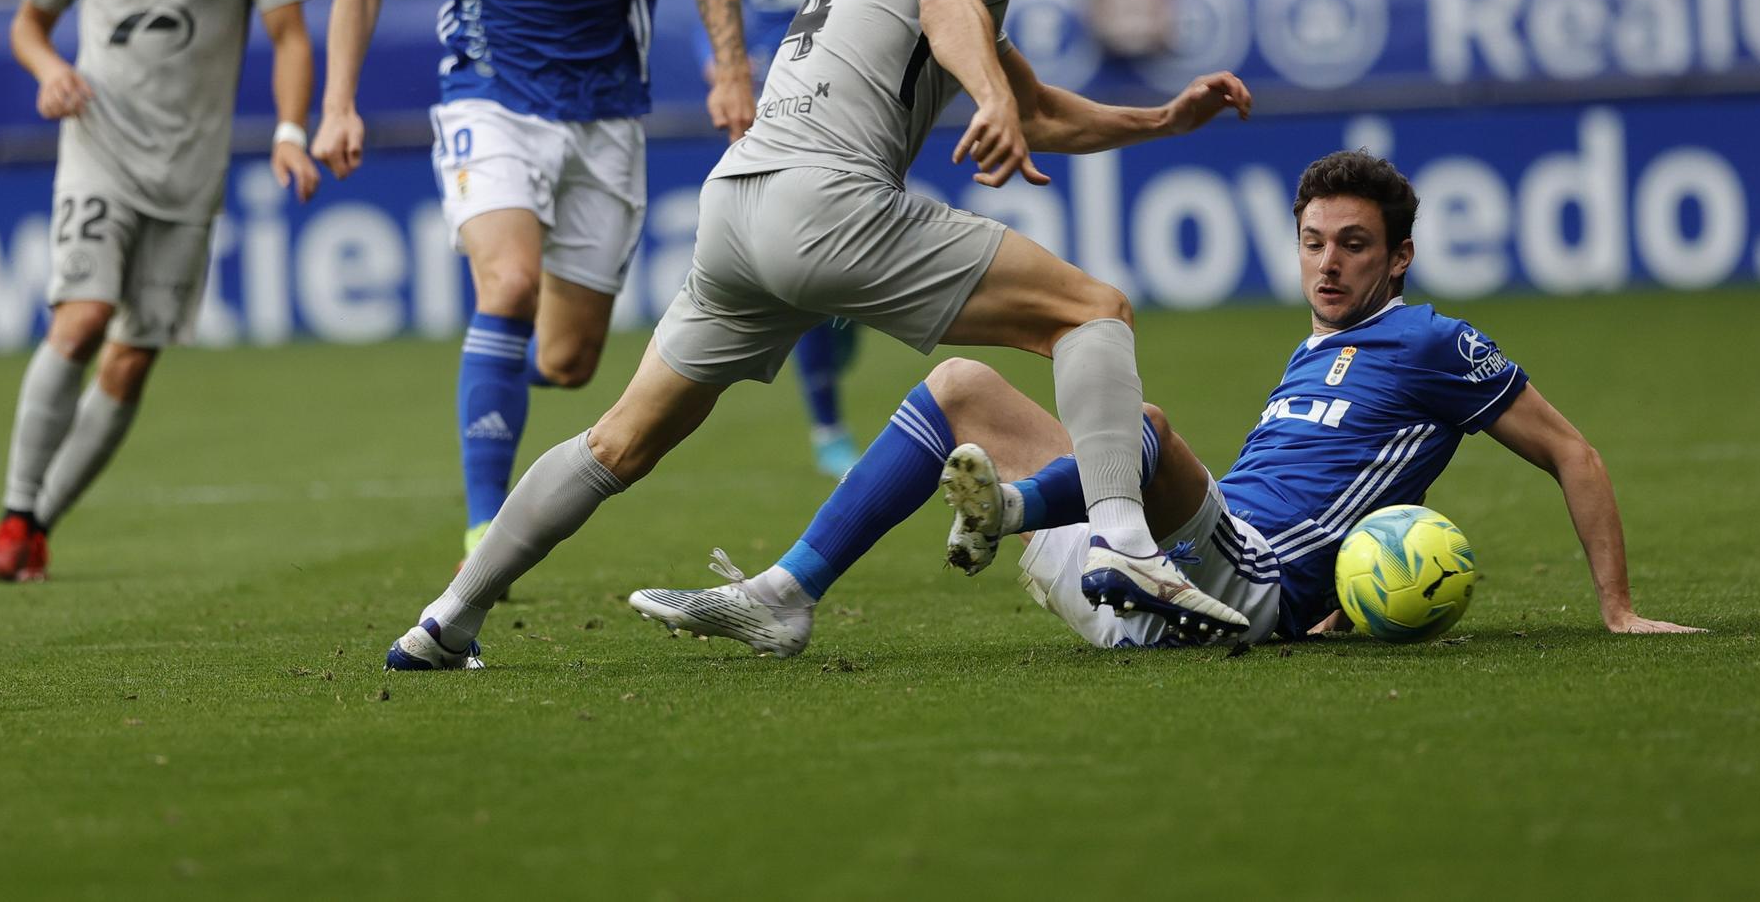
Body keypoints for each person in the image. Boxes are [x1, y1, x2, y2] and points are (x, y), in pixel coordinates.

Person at [386, 0, 1258, 670]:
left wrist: (1161, 118)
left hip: (736, 213)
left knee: (617, 441)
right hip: (827, 202)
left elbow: (1034, 107)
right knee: (1091, 310)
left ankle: (445, 620)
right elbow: (951, 1)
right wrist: (987, 98)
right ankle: (1119, 539)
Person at [630, 151, 1703, 654]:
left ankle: (1005, 512)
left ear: (1400, 256)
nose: (1326, 264)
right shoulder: (1312, 342)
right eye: (1313, 241)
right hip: (1158, 563)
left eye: (1353, 245)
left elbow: (1572, 451)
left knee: (1136, 428)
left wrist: (1613, 606)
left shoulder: (1430, 342)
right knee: (958, 383)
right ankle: (788, 591)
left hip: (1244, 584)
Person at [312, 0, 756, 565]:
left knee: (566, 361)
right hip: (488, 93)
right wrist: (337, 101)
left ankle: (508, 376)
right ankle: (486, 526)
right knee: (505, 283)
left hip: (605, 108)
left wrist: (729, 68)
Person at [0, 0, 317, 582]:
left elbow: (287, 33)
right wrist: (52, 68)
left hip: (190, 171)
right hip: (96, 150)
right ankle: (14, 513)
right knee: (83, 318)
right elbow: (28, 22)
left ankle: (35, 529)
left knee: (132, 355)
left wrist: (288, 129)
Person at [709, 0, 906, 478]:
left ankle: (840, 334)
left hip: (858, 123)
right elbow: (719, 9)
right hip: (772, 126)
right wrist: (725, 73)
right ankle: (827, 425)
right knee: (803, 282)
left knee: (838, 290)